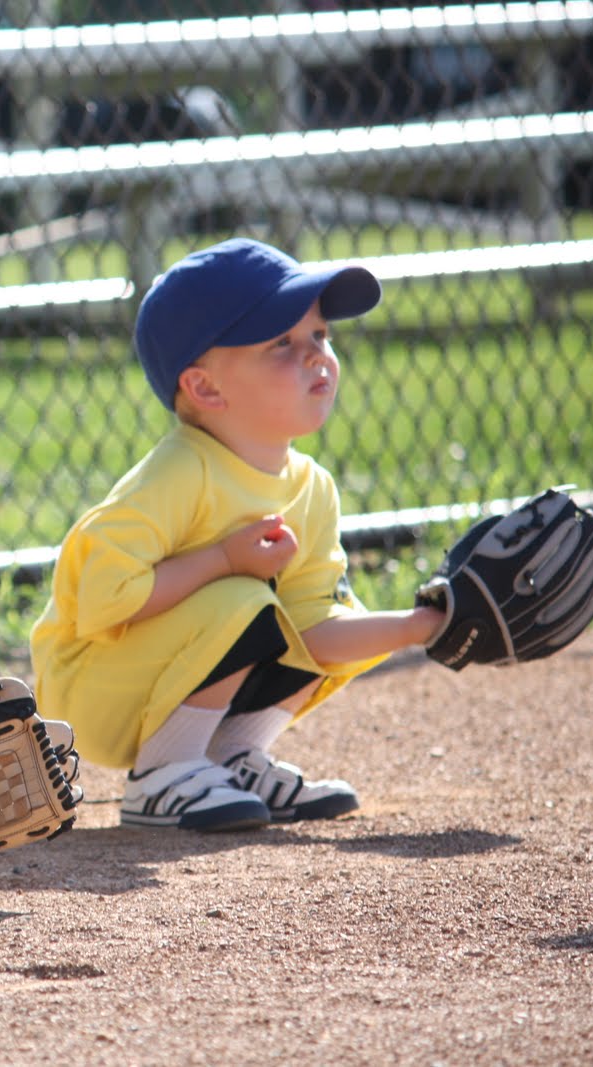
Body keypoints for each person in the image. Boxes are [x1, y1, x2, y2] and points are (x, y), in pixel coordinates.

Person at [29, 238, 445, 833]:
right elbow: (101, 596)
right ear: (205, 389)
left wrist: (421, 625)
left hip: (164, 672)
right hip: (92, 687)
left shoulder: (312, 487)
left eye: (320, 336)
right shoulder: (178, 472)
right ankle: (162, 774)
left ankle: (231, 758)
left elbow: (314, 632)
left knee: (327, 614)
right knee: (244, 599)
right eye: (282, 342)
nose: (316, 357)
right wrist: (222, 560)